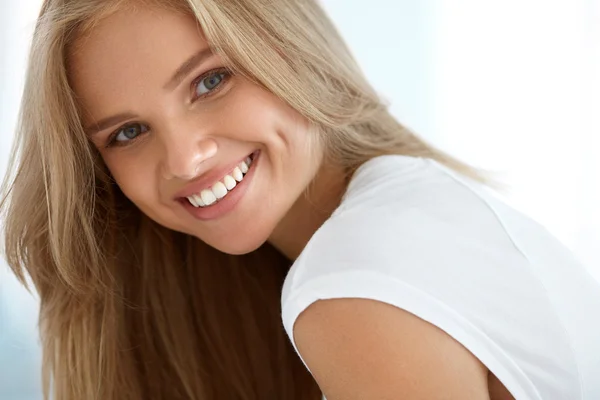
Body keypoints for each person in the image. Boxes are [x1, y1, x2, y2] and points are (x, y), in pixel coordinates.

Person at [1, 0, 599, 399]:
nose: (185, 159)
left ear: (286, 49)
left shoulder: (352, 280)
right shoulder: (409, 210)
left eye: (210, 80)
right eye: (128, 133)